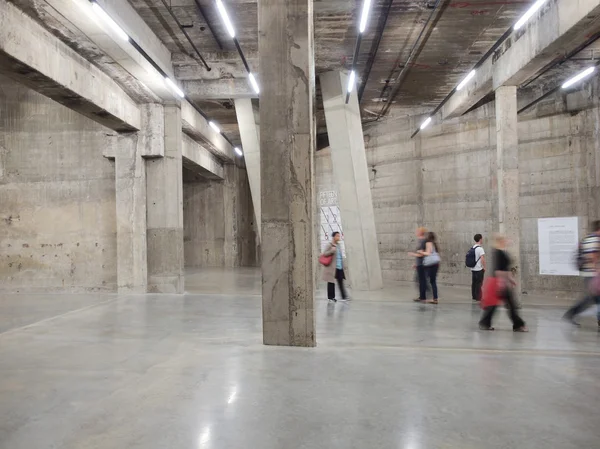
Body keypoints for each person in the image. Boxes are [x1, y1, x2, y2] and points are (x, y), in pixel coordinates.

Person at [479, 233, 528, 332]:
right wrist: (502, 283)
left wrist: (511, 280)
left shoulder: (502, 251)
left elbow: (505, 268)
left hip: (501, 281)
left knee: (496, 305)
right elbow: (498, 270)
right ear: (500, 241)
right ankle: (518, 325)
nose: (507, 241)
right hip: (500, 282)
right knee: (509, 304)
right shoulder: (498, 252)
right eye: (504, 239)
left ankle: (485, 322)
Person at [563, 220, 600, 327]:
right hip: (592, 274)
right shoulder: (594, 239)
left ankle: (572, 313)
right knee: (591, 298)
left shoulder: (587, 238)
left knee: (595, 298)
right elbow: (592, 256)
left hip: (588, 273)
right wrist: (597, 269)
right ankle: (572, 313)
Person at [321, 232, 348, 302]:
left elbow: (340, 257)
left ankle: (344, 297)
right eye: (337, 236)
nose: (339, 237)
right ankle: (330, 297)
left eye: (339, 236)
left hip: (339, 267)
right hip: (332, 267)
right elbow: (324, 254)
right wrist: (332, 251)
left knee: (340, 281)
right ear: (333, 237)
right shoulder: (329, 245)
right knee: (331, 282)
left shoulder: (338, 245)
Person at [419, 232, 440, 304]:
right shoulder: (435, 244)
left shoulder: (428, 243)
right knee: (433, 281)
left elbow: (428, 253)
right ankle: (435, 298)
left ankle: (423, 297)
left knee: (424, 280)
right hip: (436, 264)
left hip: (430, 264)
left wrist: (421, 252)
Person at [409, 227, 427, 302]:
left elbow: (421, 254)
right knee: (419, 280)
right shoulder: (420, 241)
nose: (416, 232)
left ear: (421, 232)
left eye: (418, 231)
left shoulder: (423, 241)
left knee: (421, 280)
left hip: (422, 264)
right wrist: (416, 263)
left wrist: (412, 254)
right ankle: (423, 296)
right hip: (419, 264)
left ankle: (423, 296)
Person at [470, 234, 486, 302]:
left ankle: (474, 296)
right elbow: (482, 259)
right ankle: (478, 297)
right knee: (479, 283)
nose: (482, 240)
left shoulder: (473, 247)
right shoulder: (480, 248)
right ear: (480, 239)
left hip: (473, 268)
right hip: (479, 269)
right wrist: (484, 267)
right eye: (482, 238)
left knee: (474, 283)